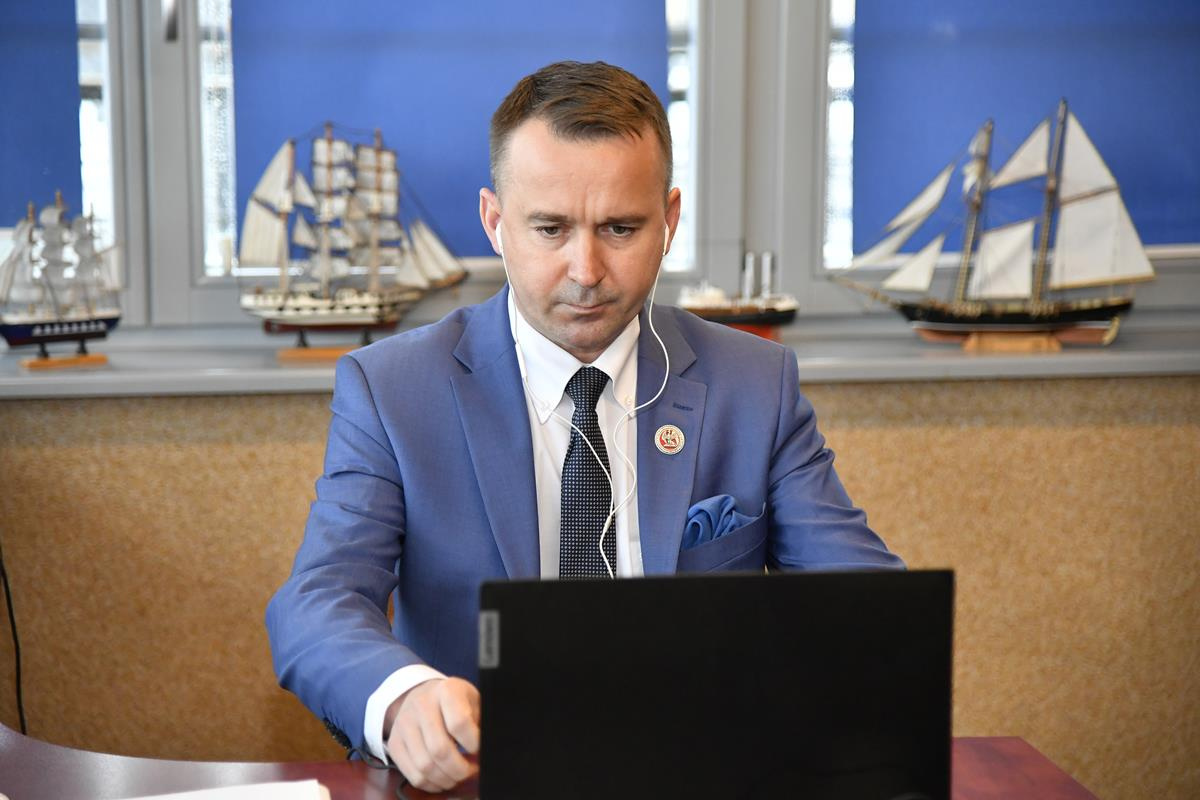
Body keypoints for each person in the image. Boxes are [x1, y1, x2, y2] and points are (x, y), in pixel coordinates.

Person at [266, 60, 904, 793]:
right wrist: (403, 699)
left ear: (669, 220)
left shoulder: (754, 383)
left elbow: (868, 606)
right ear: (495, 223)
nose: (586, 270)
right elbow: (318, 602)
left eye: (620, 228)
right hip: (477, 782)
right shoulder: (394, 389)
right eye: (550, 228)